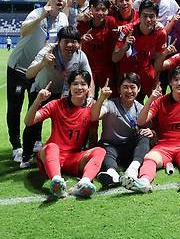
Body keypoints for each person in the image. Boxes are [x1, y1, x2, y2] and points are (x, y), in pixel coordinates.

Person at [6, 0, 69, 163]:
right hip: (19, 68)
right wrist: (41, 16)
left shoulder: (63, 19)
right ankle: (16, 146)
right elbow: (23, 31)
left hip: (39, 69)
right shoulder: (36, 13)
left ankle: (35, 142)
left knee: (37, 104)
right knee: (15, 108)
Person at [20, 26, 95, 168]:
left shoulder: (80, 55)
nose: (70, 45)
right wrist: (43, 63)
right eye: (66, 41)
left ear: (79, 43)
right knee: (34, 123)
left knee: (78, 120)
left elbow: (89, 78)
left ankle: (74, 152)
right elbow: (29, 73)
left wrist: (89, 97)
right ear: (59, 41)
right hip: (42, 91)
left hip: (63, 94)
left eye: (74, 42)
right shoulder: (48, 51)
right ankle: (26, 155)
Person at [23, 70, 106, 198]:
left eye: (83, 84)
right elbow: (28, 121)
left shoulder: (92, 107)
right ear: (69, 86)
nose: (79, 87)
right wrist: (38, 100)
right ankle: (56, 181)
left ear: (89, 88)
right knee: (52, 146)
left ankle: (84, 183)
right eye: (75, 84)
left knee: (100, 151)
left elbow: (93, 133)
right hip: (52, 157)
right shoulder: (56, 104)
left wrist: (89, 157)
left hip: (72, 158)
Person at [132, 66, 180, 192]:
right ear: (170, 82)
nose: (179, 83)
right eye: (175, 79)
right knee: (149, 158)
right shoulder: (160, 101)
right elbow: (140, 121)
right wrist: (151, 100)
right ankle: (144, 182)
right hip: (164, 146)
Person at [90, 73, 155, 189]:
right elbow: (94, 116)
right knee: (103, 149)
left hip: (129, 149)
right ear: (119, 89)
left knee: (144, 137)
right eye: (125, 87)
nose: (129, 90)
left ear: (139, 89)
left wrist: (152, 132)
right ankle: (112, 174)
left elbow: (153, 128)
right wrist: (101, 98)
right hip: (111, 146)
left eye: (132, 87)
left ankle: (133, 170)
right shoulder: (110, 104)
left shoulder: (140, 108)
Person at [112, 0, 167, 100]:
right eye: (145, 16)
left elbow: (158, 62)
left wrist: (156, 84)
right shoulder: (127, 31)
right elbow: (114, 58)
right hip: (127, 73)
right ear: (139, 16)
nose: (148, 20)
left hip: (146, 72)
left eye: (152, 16)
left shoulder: (161, 33)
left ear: (157, 17)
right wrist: (125, 46)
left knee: (157, 101)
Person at [77, 0, 118, 96]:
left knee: (112, 97)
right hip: (88, 68)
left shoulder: (111, 22)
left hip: (107, 68)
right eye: (97, 9)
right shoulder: (82, 24)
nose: (100, 13)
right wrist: (81, 40)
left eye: (104, 10)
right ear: (91, 8)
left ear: (108, 11)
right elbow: (75, 44)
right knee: (89, 98)